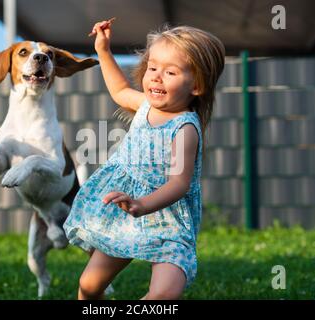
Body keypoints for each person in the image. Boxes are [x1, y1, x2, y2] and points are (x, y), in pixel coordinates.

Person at [63, 19, 225, 300]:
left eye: (170, 72)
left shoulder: (184, 128)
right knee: (89, 286)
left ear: (197, 85)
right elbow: (119, 91)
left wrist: (143, 204)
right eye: (152, 68)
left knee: (164, 294)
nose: (156, 77)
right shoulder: (145, 106)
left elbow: (179, 183)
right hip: (125, 214)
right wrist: (103, 50)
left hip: (167, 220)